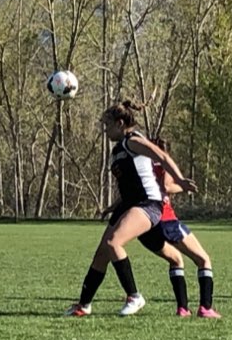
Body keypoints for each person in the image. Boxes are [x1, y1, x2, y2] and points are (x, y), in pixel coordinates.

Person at [65, 101, 197, 317]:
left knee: (113, 242)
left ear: (120, 123)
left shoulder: (133, 141)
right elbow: (131, 183)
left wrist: (181, 181)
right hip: (129, 205)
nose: (105, 130)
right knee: (102, 252)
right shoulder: (119, 149)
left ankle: (134, 296)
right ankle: (83, 305)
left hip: (148, 205)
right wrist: (113, 206)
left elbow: (161, 156)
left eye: (107, 125)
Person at [137, 136, 221, 318]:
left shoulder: (141, 170)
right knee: (204, 260)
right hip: (167, 221)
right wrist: (183, 186)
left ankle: (183, 308)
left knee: (176, 260)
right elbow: (166, 185)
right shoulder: (163, 164)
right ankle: (206, 307)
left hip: (146, 226)